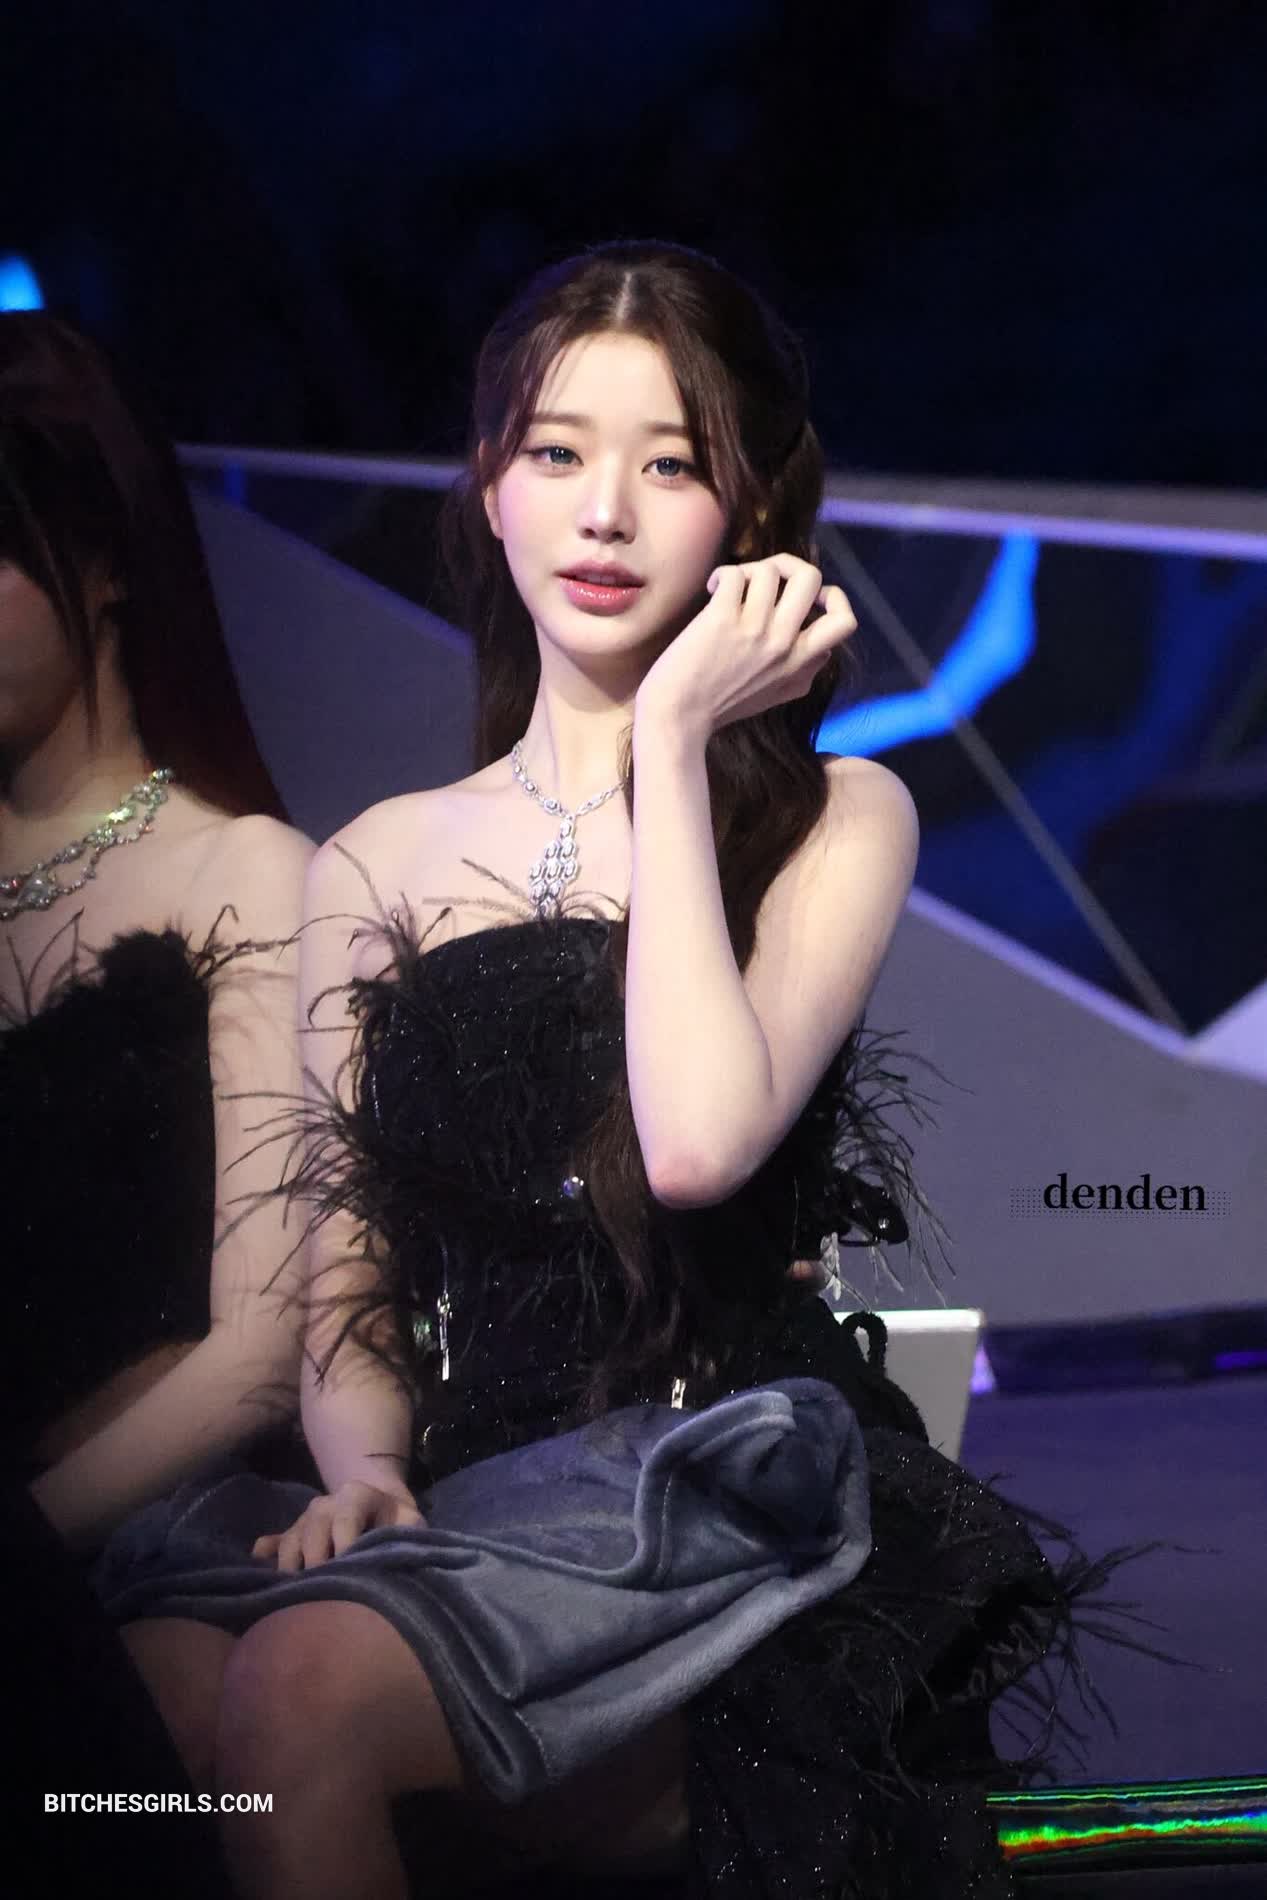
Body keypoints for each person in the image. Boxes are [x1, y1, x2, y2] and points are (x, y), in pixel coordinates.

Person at [98, 244, 1095, 1900]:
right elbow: (343, 1269)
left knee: (298, 1694)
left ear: (748, 512)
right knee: (153, 1701)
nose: (606, 513)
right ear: (491, 488)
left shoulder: (839, 817)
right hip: (464, 1502)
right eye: (557, 452)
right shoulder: (377, 859)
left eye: (671, 464)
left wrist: (677, 746)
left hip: (716, 1499)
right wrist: (362, 1471)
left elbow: (694, 1144)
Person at [1, 311, 311, 1894]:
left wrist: (22, 1544)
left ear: (104, 560)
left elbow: (260, 1348)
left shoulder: (241, 874)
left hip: (167, 1550)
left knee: (127, 1789)